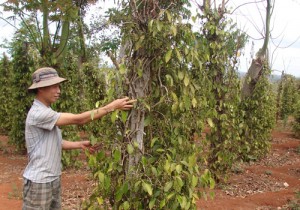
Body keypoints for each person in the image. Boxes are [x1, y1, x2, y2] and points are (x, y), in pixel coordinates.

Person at [23, 67, 135, 210]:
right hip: (39, 183)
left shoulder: (47, 111)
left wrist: (79, 144)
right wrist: (111, 107)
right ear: (41, 89)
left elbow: (52, 143)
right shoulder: (38, 113)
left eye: (59, 86)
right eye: (54, 86)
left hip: (52, 178)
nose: (59, 91)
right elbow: (79, 119)